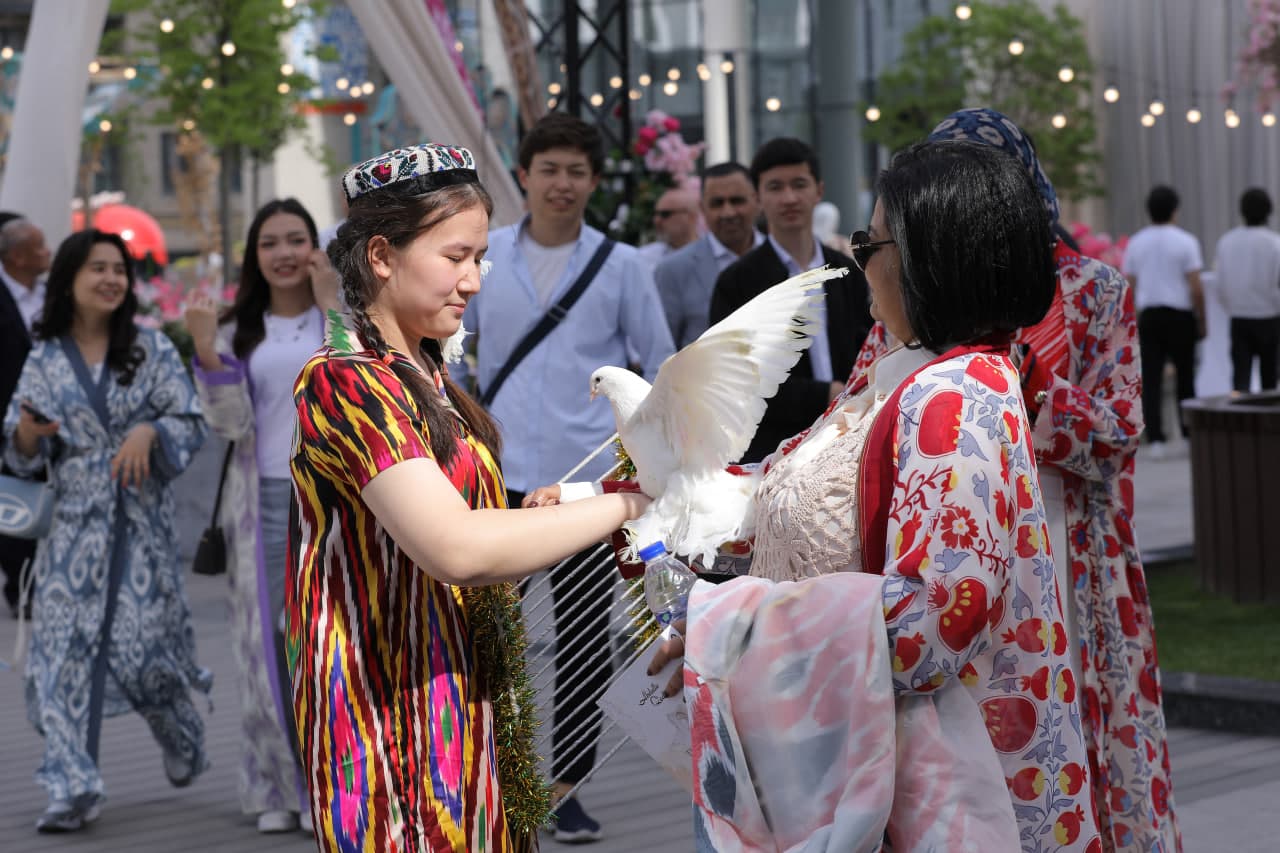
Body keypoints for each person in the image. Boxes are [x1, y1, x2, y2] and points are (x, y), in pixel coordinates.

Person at [649, 139, 1103, 851]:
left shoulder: (956, 396)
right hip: (876, 767)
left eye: (871, 241)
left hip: (930, 786)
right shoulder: (911, 372)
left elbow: (931, 627)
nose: (858, 259)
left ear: (931, 255)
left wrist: (729, 627)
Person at [288, 142, 651, 852]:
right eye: (457, 256)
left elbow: (458, 535)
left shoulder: (423, 372)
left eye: (480, 257)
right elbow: (454, 548)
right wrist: (629, 503)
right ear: (383, 256)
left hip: (459, 706)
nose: (475, 280)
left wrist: (530, 519)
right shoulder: (346, 381)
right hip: (390, 724)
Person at [857, 107, 1180, 852]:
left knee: (1081, 717)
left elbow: (1122, 430)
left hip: (1072, 541)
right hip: (949, 530)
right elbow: (863, 408)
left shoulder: (1094, 290)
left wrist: (1034, 391)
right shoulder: (910, 285)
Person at [456, 112, 674, 843]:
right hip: (501, 481)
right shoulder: (484, 261)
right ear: (523, 175)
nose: (562, 182)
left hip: (585, 490)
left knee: (583, 643)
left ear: (593, 180)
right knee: (492, 640)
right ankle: (493, 776)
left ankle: (564, 785)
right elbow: (455, 351)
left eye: (576, 170)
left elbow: (659, 366)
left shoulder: (621, 266)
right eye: (548, 168)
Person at [4, 229, 210, 833]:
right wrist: (26, 436)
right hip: (71, 532)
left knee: (145, 654)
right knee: (58, 660)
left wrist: (151, 432)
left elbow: (190, 421)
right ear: (68, 279)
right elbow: (16, 453)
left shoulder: (149, 350)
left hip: (140, 528)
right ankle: (71, 788)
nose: (110, 279)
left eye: (118, 269)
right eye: (97, 269)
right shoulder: (44, 359)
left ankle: (182, 731)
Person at [185, 198, 337, 835]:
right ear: (254, 256)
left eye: (296, 239)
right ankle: (279, 781)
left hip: (333, 505)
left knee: (326, 644)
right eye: (269, 242)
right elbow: (232, 425)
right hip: (262, 506)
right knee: (267, 646)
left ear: (315, 247)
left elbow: (364, 389)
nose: (283, 253)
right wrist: (206, 351)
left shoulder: (344, 320)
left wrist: (336, 307)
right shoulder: (234, 330)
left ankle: (329, 785)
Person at [710, 136, 873, 463]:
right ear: (758, 197)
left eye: (799, 184)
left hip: (847, 436)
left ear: (819, 191)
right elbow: (735, 377)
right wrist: (822, 393)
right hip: (770, 450)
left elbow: (868, 345)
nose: (789, 198)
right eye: (775, 187)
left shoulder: (846, 271)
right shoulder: (737, 282)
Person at [1123, 185, 1205, 454]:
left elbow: (1129, 285)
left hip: (1150, 316)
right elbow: (1195, 285)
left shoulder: (1136, 242)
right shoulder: (1186, 241)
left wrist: (1130, 321)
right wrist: (1202, 318)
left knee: (1152, 378)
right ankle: (1187, 433)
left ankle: (1155, 438)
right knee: (1186, 376)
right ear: (1174, 211)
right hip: (1180, 316)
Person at [653, 161, 763, 348]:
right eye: (717, 203)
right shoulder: (674, 270)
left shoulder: (784, 259)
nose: (728, 212)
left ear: (757, 201)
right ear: (702, 208)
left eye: (737, 201)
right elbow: (663, 349)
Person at [0, 217, 49, 617]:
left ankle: (35, 579)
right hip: (7, 418)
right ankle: (19, 585)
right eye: (38, 247)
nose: (46, 253)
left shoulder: (53, 295)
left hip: (50, 418)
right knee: (13, 500)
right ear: (16, 256)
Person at [1213, 187, 1280, 392]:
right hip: (1269, 317)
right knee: (1270, 380)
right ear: (1269, 211)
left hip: (1239, 317)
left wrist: (1231, 306)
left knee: (1240, 379)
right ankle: (1270, 423)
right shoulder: (1274, 243)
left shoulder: (1226, 242)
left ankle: (1240, 423)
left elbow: (1220, 283)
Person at [637, 182, 702, 272]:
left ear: (691, 216)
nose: (657, 221)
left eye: (665, 214)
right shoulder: (643, 257)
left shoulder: (714, 253)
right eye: (655, 214)